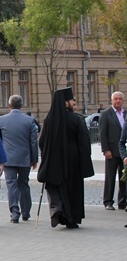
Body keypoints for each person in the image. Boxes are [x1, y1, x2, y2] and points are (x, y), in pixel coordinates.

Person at [38, 87, 94, 229]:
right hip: (73, 159)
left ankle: (59, 211)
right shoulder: (75, 119)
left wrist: (47, 154)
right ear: (65, 102)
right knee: (73, 189)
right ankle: (72, 219)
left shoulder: (49, 119)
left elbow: (42, 141)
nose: (72, 102)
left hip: (55, 159)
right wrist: (85, 158)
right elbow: (83, 141)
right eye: (71, 100)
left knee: (58, 187)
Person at [0, 95, 39, 223]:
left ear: (9, 105)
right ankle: (26, 212)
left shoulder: (1, 120)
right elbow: (33, 142)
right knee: (24, 184)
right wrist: (34, 159)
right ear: (21, 105)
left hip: (8, 158)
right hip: (25, 157)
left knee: (11, 185)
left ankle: (14, 213)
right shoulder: (29, 121)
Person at [99, 91, 125, 210]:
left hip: (124, 153)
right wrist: (106, 150)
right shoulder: (106, 114)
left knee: (124, 177)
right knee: (110, 178)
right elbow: (102, 133)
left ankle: (123, 201)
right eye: (116, 99)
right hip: (111, 151)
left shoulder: (125, 113)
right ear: (112, 101)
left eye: (120, 99)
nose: (118, 101)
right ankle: (108, 201)